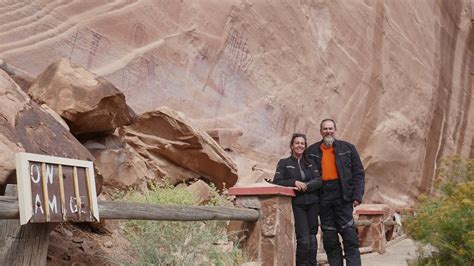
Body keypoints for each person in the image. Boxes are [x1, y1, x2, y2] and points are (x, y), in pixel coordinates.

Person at [306, 119, 365, 266]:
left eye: (330, 128)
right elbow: (307, 175)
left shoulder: (348, 148)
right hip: (323, 197)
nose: (328, 131)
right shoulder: (312, 151)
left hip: (343, 196)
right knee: (330, 239)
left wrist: (357, 195)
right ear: (321, 131)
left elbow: (358, 173)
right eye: (325, 129)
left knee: (349, 236)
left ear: (335, 130)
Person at [273, 133, 322, 265]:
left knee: (312, 239)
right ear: (292, 145)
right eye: (297, 143)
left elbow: (319, 180)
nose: (300, 145)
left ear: (305, 146)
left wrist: (306, 186)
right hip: (298, 204)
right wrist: (294, 182)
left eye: (302, 143)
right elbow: (277, 181)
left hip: (313, 203)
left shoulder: (311, 163)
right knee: (304, 239)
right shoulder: (284, 163)